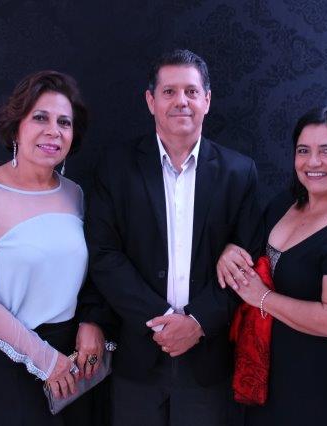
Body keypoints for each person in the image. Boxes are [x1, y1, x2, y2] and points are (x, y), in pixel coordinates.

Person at [83, 49, 264, 426]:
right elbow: (104, 254)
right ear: (151, 101)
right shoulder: (115, 167)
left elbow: (248, 260)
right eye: (169, 92)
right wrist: (163, 320)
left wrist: (197, 322)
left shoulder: (239, 172)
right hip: (138, 356)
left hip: (209, 360)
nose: (181, 101)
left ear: (207, 101)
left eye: (191, 92)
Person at [0, 70, 107, 425]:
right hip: (5, 358)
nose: (54, 131)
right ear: (16, 127)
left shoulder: (75, 194)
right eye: (40, 118)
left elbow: (89, 274)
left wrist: (90, 322)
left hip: (69, 359)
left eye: (64, 122)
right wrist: (44, 360)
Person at [217, 104, 327, 425]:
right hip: (271, 379)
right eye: (303, 150)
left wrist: (262, 298)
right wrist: (230, 251)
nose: (313, 162)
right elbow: (251, 252)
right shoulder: (285, 203)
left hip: (323, 386)